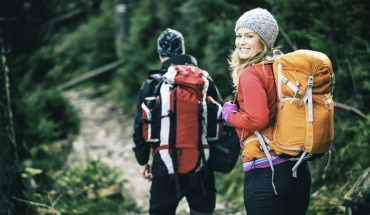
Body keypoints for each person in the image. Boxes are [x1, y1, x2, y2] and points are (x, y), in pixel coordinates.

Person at [221, 8, 312, 215]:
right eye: (239, 35)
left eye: (249, 36)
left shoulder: (251, 74)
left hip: (266, 173)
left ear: (263, 40)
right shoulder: (281, 70)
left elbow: (258, 119)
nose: (241, 42)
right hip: (297, 169)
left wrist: (229, 114)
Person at [132, 28, 223, 215]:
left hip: (164, 165)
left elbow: (139, 126)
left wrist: (143, 161)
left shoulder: (153, 84)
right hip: (201, 164)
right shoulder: (204, 81)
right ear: (183, 50)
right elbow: (221, 118)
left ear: (160, 55)